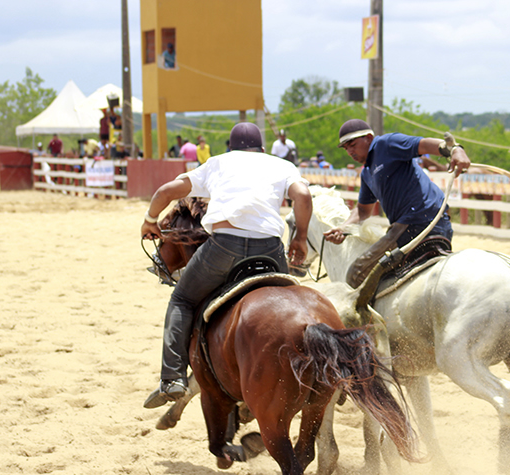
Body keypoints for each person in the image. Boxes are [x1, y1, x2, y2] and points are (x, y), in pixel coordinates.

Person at [141, 122, 312, 408]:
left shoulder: (217, 164)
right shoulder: (281, 165)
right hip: (270, 249)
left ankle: (172, 378)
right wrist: (301, 238)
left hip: (224, 247)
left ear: (231, 147)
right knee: (293, 307)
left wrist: (149, 220)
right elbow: (303, 197)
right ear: (262, 148)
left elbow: (166, 191)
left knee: (182, 300)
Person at [323, 119, 471, 288]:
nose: (350, 151)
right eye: (346, 148)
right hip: (431, 223)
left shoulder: (386, 144)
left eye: (353, 144)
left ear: (369, 138)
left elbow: (422, 145)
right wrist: (343, 228)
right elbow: (363, 211)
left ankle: (369, 315)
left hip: (413, 224)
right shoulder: (367, 173)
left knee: (356, 274)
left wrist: (454, 149)